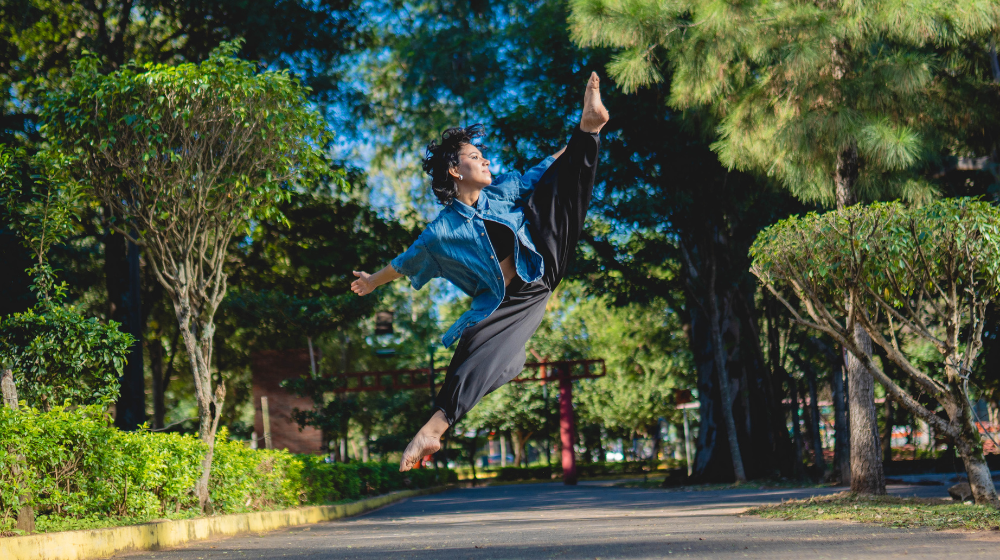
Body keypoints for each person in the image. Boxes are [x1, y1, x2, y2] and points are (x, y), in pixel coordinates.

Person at [351, 72, 609, 471]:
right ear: (455, 171)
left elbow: (543, 172)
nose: (485, 160)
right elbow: (404, 264)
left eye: (482, 156)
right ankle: (431, 431)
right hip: (509, 302)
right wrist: (371, 282)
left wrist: (576, 139)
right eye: (474, 157)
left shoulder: (502, 190)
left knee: (552, 196)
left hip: (543, 259)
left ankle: (589, 129)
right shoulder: (441, 232)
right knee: (478, 357)